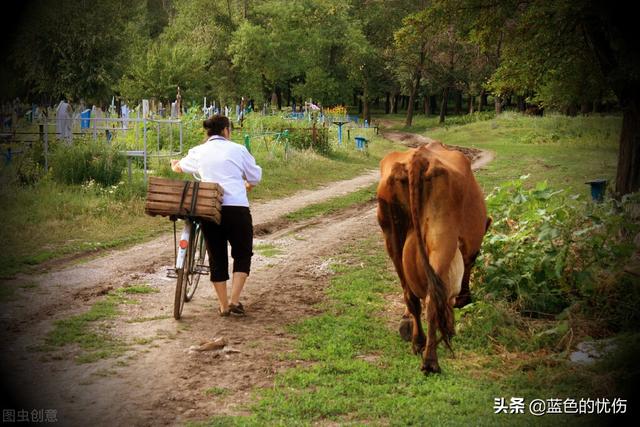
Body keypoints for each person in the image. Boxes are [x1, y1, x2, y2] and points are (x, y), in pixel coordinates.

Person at [171, 115, 262, 317]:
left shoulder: (199, 151)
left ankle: (222, 306)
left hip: (210, 210)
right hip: (237, 209)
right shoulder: (238, 150)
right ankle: (234, 301)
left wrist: (174, 165)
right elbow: (255, 176)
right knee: (242, 253)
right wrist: (247, 186)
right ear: (225, 131)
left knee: (216, 257)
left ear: (209, 132)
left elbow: (180, 168)